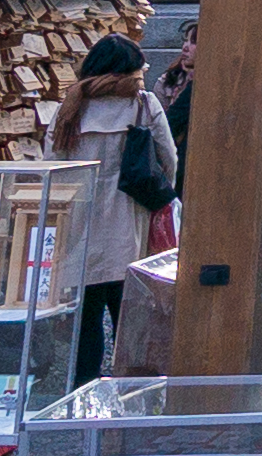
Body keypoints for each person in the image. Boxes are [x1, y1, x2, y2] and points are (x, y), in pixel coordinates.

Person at [43, 36, 174, 379]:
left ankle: (81, 395)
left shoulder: (70, 107)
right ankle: (130, 396)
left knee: (84, 325)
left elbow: (50, 165)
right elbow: (168, 160)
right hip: (129, 223)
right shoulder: (143, 106)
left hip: (78, 229)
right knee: (129, 322)